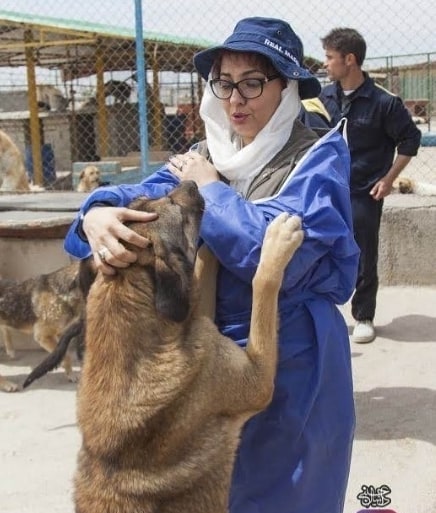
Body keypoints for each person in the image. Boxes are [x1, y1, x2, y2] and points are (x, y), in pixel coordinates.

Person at [64, 17, 360, 513]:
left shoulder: (318, 157)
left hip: (295, 354)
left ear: (287, 87)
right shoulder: (207, 153)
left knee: (287, 492)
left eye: (252, 83)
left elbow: (271, 252)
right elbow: (137, 198)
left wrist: (212, 190)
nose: (235, 100)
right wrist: (93, 216)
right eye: (224, 83)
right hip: (208, 359)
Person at [319, 28, 421, 344]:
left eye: (330, 57)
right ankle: (322, 313)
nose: (325, 64)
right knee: (319, 250)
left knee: (364, 255)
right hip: (327, 190)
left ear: (349, 59)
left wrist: (388, 180)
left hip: (363, 192)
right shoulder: (324, 98)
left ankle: (364, 316)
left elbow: (410, 140)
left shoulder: (384, 103)